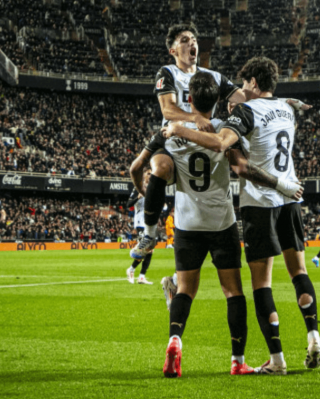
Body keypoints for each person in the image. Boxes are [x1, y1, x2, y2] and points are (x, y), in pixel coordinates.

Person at [134, 71, 301, 378]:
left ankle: (174, 340)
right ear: (217, 101)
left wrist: (147, 187)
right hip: (222, 223)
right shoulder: (225, 129)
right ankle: (238, 361)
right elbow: (239, 166)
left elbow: (142, 167)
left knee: (184, 290)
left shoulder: (171, 131)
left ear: (190, 99)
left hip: (186, 223)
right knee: (233, 292)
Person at [129, 23, 247, 261]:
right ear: (172, 51)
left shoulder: (212, 77)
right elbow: (168, 109)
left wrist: (263, 101)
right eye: (184, 40)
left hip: (205, 140)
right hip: (172, 140)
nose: (191, 42)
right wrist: (193, 117)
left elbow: (242, 98)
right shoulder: (168, 73)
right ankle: (150, 234)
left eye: (193, 38)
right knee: (160, 168)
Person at [125, 169, 153, 285]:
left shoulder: (152, 188)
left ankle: (140, 276)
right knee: (146, 249)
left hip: (149, 223)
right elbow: (128, 205)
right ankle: (132, 270)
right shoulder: (137, 187)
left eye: (152, 174)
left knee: (149, 250)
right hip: (140, 222)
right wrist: (138, 197)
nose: (150, 176)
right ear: (144, 175)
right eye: (148, 173)